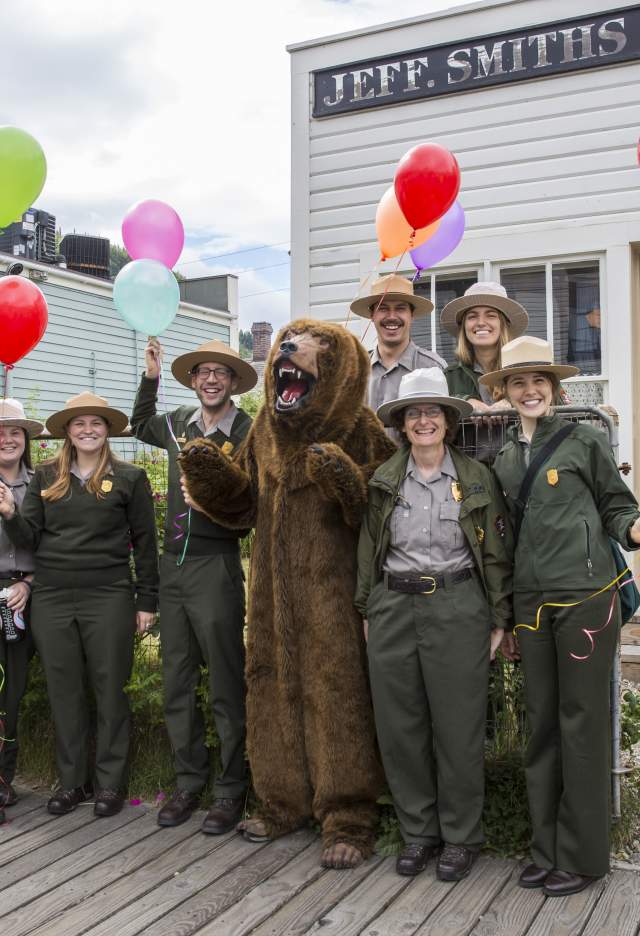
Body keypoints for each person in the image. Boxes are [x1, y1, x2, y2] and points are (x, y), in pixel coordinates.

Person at [483, 336, 640, 897]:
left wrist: (631, 529)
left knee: (583, 724)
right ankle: (545, 847)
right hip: (531, 604)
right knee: (541, 724)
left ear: (554, 388)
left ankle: (582, 855)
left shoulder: (585, 440)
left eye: (539, 381)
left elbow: (617, 504)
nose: (529, 390)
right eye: (518, 382)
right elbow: (500, 543)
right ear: (504, 391)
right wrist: (503, 614)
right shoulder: (501, 459)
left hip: (586, 599)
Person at [356, 368, 513, 882]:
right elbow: (367, 551)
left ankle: (461, 837)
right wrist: (367, 609)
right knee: (400, 728)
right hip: (393, 608)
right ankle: (419, 832)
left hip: (457, 606)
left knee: (458, 729)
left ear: (447, 420)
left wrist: (498, 618)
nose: (424, 421)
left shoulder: (474, 478)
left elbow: (495, 551)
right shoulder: (384, 479)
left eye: (432, 412)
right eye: (413, 413)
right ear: (402, 424)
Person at [0, 392, 158, 817]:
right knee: (64, 692)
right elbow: (29, 539)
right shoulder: (46, 476)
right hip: (51, 598)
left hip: (107, 595)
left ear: (107, 430)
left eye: (97, 423)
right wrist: (11, 514)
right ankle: (72, 783)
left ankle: (109, 785)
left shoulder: (130, 477)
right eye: (79, 423)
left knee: (109, 692)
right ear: (67, 431)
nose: (88, 430)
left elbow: (145, 544)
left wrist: (147, 600)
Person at [131, 338, 257, 833]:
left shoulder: (247, 432)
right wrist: (150, 376)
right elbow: (141, 424)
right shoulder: (178, 423)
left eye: (220, 373)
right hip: (173, 571)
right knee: (177, 683)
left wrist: (215, 509)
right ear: (193, 380)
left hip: (217, 566)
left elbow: (253, 505)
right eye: (203, 372)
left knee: (226, 684)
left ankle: (229, 790)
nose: (210, 379)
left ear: (232, 383)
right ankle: (187, 783)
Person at [0, 399, 43, 819]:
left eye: (15, 431)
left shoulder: (42, 483)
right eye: (0, 432)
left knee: (11, 693)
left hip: (26, 597)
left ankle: (4, 780)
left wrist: (28, 585)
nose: (8, 438)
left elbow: (49, 545)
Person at [350, 274, 446, 442]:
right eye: (383, 308)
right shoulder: (355, 369)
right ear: (372, 315)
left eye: (400, 308)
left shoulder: (434, 368)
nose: (392, 316)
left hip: (416, 467)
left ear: (412, 315)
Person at [440, 281, 528, 412]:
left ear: (503, 324)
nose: (481, 323)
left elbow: (553, 400)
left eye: (491, 316)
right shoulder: (450, 376)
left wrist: (513, 402)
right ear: (464, 327)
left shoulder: (527, 368)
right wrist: (465, 401)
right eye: (472, 316)